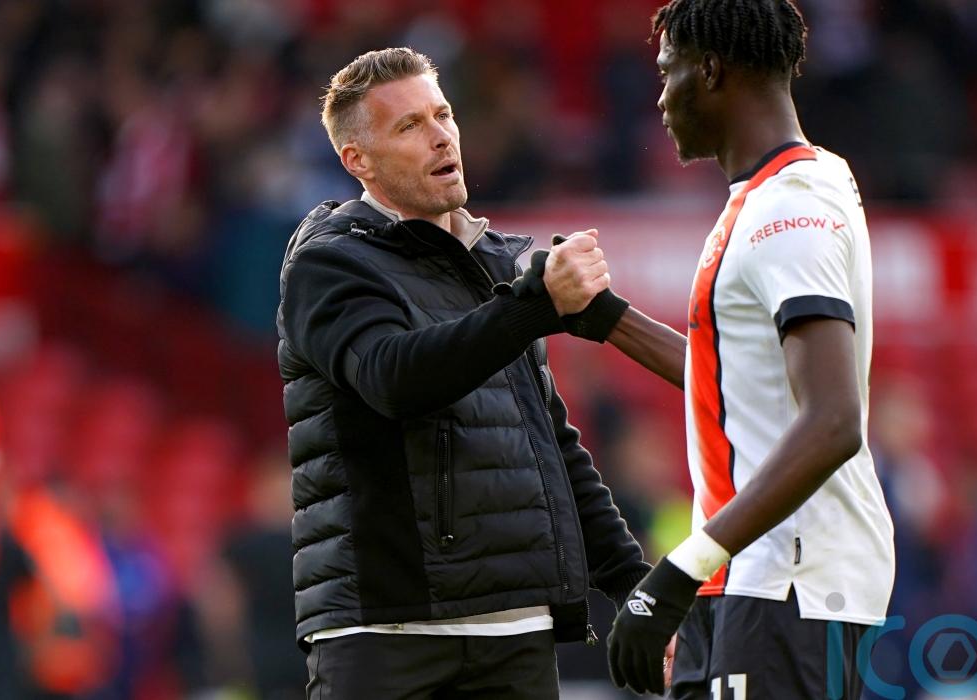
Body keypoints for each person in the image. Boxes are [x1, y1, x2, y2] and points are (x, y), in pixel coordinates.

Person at [275, 48, 651, 699]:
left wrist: (632, 586)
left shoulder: (495, 267)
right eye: (409, 126)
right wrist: (534, 305)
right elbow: (395, 380)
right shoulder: (330, 263)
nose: (441, 135)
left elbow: (551, 446)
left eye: (442, 114)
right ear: (358, 161)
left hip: (517, 631)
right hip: (388, 634)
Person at [565, 1, 896, 696]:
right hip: (750, 577)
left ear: (711, 71)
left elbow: (834, 421)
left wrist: (678, 570)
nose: (661, 98)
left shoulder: (789, 208)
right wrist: (605, 319)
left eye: (669, 72)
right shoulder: (781, 193)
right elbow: (732, 381)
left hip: (789, 583)